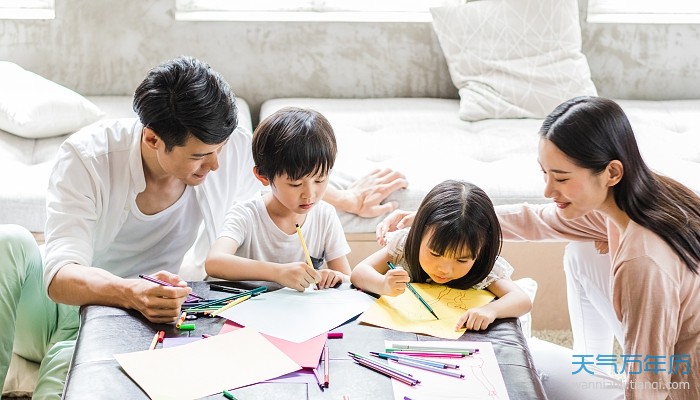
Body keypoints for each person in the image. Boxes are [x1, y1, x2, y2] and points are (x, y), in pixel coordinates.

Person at [0, 56, 407, 398]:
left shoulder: (220, 147)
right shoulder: (87, 159)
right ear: (153, 139)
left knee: (69, 376)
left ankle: (66, 353)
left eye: (220, 151)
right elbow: (59, 277)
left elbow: (286, 178)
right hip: (52, 307)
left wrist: (347, 199)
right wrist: (129, 291)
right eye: (200, 157)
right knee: (8, 243)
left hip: (139, 315)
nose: (215, 166)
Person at [376, 96, 700, 399]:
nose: (548, 190)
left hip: (681, 387)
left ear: (612, 172)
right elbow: (535, 220)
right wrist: (432, 221)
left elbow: (650, 382)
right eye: (545, 173)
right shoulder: (639, 199)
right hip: (666, 361)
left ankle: (600, 382)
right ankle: (597, 367)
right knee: (581, 252)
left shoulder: (643, 260)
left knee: (522, 362)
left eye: (560, 178)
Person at [351, 179, 531, 331]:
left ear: (480, 252)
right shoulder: (404, 245)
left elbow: (522, 299)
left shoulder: (482, 267)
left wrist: (491, 310)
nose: (444, 269)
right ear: (419, 234)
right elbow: (359, 273)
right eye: (435, 254)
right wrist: (382, 284)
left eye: (461, 260)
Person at [206, 107, 351, 290]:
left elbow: (348, 279)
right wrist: (278, 273)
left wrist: (335, 277)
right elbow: (214, 262)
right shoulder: (246, 215)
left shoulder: (325, 215)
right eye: (295, 184)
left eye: (320, 179)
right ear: (263, 176)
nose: (310, 194)